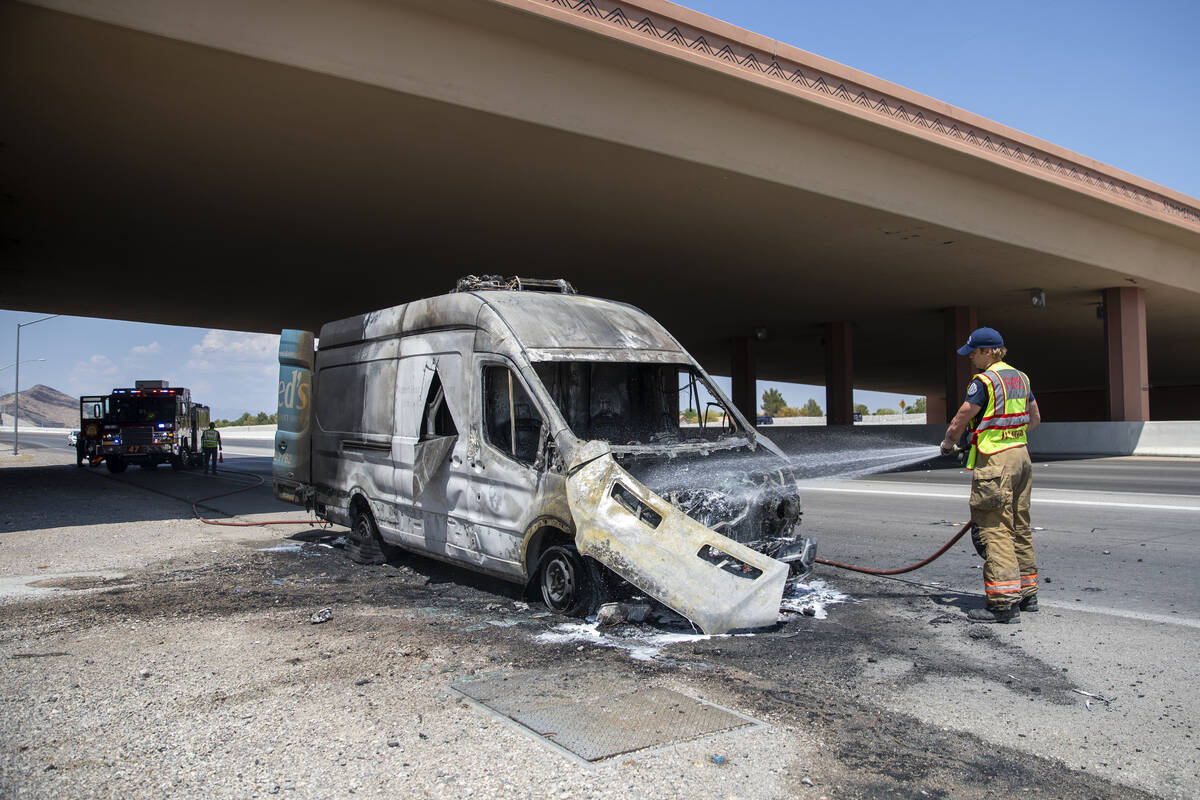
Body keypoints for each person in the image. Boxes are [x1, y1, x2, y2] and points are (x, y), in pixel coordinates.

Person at [940, 327, 1042, 623]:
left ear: (989, 351)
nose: (971, 357)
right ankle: (1027, 595)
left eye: (974, 351)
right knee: (1019, 525)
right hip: (1022, 457)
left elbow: (961, 417)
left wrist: (949, 443)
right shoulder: (1021, 378)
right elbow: (1035, 418)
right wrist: (1011, 433)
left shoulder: (985, 381)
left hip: (996, 462)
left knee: (995, 530)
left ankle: (1002, 605)